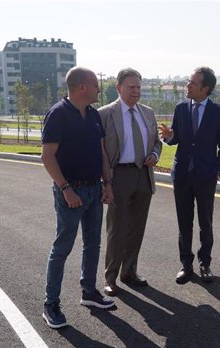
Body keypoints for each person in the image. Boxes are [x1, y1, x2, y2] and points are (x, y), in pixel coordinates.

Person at [40, 66, 116, 329]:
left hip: (95, 190)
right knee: (62, 248)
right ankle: (51, 303)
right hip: (70, 193)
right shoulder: (58, 114)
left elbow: (102, 152)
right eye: (96, 84)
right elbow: (47, 156)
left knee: (93, 244)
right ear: (82, 87)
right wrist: (65, 189)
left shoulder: (94, 115)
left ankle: (89, 292)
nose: (99, 88)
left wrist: (107, 184)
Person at [159, 66, 220, 284]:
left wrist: (218, 169)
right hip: (181, 174)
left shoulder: (218, 112)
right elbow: (175, 138)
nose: (187, 86)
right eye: (189, 82)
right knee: (184, 222)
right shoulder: (181, 108)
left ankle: (205, 263)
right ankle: (186, 264)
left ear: (205, 88)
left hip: (205, 175)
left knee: (205, 222)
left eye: (192, 83)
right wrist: (169, 137)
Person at [98, 68, 162, 296]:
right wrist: (105, 181)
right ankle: (111, 277)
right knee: (117, 229)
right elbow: (100, 150)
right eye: (131, 87)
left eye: (138, 87)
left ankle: (129, 271)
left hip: (143, 175)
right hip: (119, 176)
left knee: (137, 228)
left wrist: (155, 155)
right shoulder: (105, 114)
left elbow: (157, 142)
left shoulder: (148, 113)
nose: (136, 91)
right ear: (118, 88)